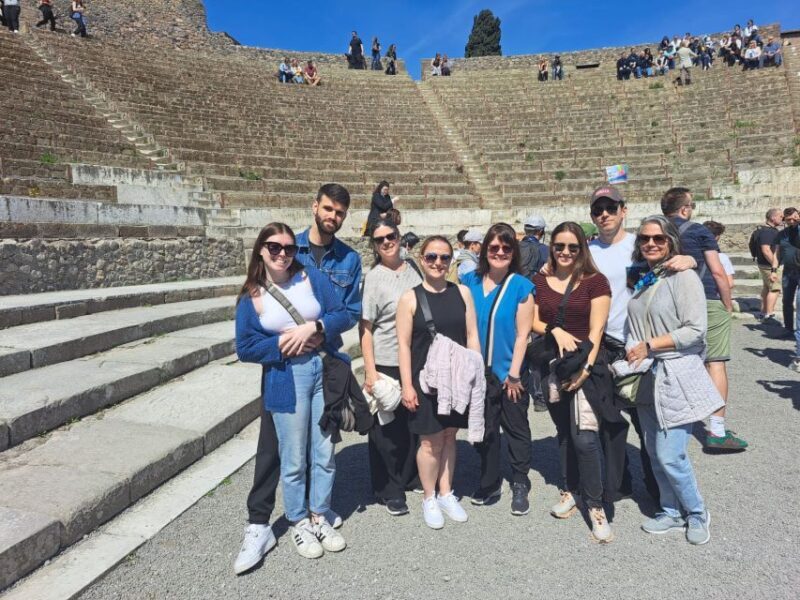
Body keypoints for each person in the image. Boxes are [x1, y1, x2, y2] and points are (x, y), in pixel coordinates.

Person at [233, 222, 352, 569]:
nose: (283, 254)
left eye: (289, 248)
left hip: (320, 370)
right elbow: (245, 347)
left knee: (325, 449)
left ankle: (319, 515)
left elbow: (342, 313)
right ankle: (299, 520)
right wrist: (283, 343)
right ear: (260, 250)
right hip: (287, 376)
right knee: (294, 457)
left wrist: (314, 327)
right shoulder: (252, 296)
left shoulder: (310, 278)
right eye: (274, 247)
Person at [625, 216, 722, 545]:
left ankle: (696, 512)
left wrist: (651, 345)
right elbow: (635, 324)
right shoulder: (648, 277)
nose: (650, 243)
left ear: (671, 242)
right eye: (645, 239)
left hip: (675, 372)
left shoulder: (684, 276)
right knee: (653, 451)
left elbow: (696, 329)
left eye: (658, 239)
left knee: (671, 454)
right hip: (647, 374)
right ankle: (670, 510)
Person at [532, 222, 614, 543]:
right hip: (554, 365)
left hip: (587, 365)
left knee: (585, 437)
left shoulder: (596, 281)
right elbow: (534, 319)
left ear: (582, 249)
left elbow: (597, 330)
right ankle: (570, 489)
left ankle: (595, 505)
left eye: (572, 247)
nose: (565, 252)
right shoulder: (540, 279)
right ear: (551, 247)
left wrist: (586, 369)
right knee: (564, 432)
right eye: (559, 246)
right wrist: (555, 330)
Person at [396, 235, 481, 529]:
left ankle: (447, 492)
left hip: (456, 380)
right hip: (425, 381)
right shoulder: (410, 298)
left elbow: (471, 335)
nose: (438, 263)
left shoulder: (463, 293)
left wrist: (475, 373)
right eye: (431, 257)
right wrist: (407, 385)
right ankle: (428, 496)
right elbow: (404, 346)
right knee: (430, 441)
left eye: (444, 258)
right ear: (422, 259)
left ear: (451, 261)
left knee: (449, 436)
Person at [661, 187, 747, 452]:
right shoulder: (699, 231)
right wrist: (726, 302)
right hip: (705, 298)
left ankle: (673, 423)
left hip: (670, 301)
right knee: (716, 362)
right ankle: (717, 431)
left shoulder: (656, 230)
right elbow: (718, 272)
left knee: (676, 360)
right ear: (685, 208)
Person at [462, 224, 535, 515]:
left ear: (513, 252)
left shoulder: (521, 286)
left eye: (506, 248)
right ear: (484, 250)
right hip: (478, 373)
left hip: (510, 373)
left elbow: (522, 334)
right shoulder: (469, 281)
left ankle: (520, 481)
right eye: (494, 247)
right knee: (485, 428)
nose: (500, 252)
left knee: (516, 428)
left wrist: (514, 374)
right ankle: (490, 480)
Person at [361, 219, 422, 516]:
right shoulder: (373, 278)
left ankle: (408, 476)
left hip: (414, 360)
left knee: (411, 425)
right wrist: (370, 372)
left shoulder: (413, 268)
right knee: (384, 430)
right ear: (374, 246)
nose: (386, 242)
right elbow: (367, 329)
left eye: (391, 236)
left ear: (400, 237)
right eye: (379, 239)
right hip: (386, 361)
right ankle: (388, 488)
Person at [295, 183, 362, 328]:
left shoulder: (350, 259)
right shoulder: (289, 249)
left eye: (339, 213)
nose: (332, 216)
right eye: (328, 208)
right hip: (287, 342)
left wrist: (321, 331)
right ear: (315, 207)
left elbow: (352, 312)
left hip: (327, 345)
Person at [753, 208, 783, 321]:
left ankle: (763, 312)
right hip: (769, 266)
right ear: (773, 217)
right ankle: (769, 315)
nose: (782, 219)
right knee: (775, 289)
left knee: (767, 288)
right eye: (780, 216)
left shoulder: (764, 230)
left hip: (764, 264)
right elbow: (766, 250)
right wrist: (775, 266)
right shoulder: (768, 232)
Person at [777, 208, 799, 336]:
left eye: (794, 218)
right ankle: (788, 328)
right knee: (787, 300)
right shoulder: (782, 234)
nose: (791, 221)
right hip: (788, 272)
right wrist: (774, 269)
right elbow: (777, 252)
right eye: (788, 219)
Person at [703, 221, 736, 292]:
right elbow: (730, 284)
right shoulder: (722, 257)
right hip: (714, 295)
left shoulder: (692, 254)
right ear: (717, 237)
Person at [518, 215, 548, 280]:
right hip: (535, 287)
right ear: (541, 231)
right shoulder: (545, 249)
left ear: (525, 230)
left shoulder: (514, 247)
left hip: (517, 286)